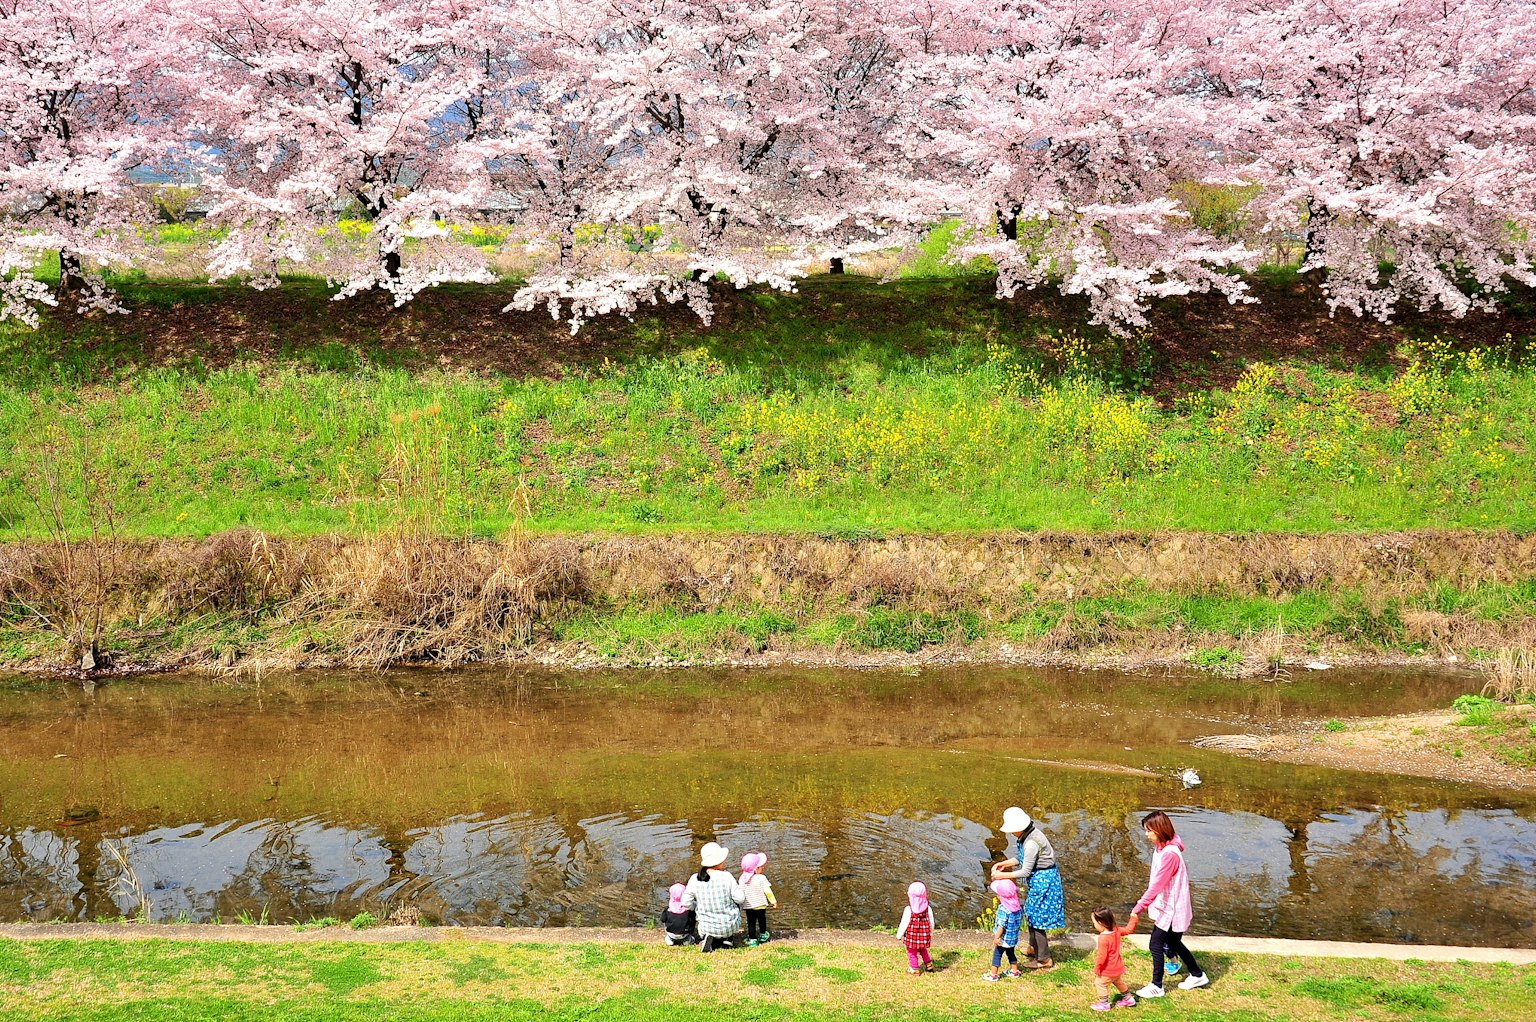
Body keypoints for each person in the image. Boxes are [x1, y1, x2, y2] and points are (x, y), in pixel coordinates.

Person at [1132, 810, 1209, 997]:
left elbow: (1157, 885)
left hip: (1171, 908)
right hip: (1171, 905)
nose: (1146, 834)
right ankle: (1197, 974)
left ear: (1160, 830)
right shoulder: (1162, 846)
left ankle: (1157, 986)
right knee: (1174, 941)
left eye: (1149, 830)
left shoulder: (1170, 855)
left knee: (1155, 945)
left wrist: (1139, 907)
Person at [990, 806, 1064, 969]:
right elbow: (1022, 858)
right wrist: (1005, 863)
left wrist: (1002, 876)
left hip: (1044, 881)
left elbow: (1025, 871)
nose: (1011, 833)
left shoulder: (1031, 842)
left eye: (1012, 830)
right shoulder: (1029, 835)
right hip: (1039, 879)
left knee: (1037, 918)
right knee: (1031, 912)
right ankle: (1033, 948)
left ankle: (1044, 959)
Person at [682, 841, 746, 953]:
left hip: (705, 928)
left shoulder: (694, 879)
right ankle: (728, 938)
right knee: (735, 903)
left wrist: (696, 906)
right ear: (719, 861)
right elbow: (740, 899)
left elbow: (685, 903)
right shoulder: (727, 876)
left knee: (702, 910)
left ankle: (711, 939)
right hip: (729, 926)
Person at [1090, 907, 1140, 1011]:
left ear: (1101, 923)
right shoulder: (1116, 930)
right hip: (1118, 967)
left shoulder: (1103, 938)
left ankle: (1104, 1004)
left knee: (1100, 983)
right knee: (1118, 981)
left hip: (1108, 969)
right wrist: (1133, 918)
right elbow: (1129, 929)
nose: (1094, 925)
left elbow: (1102, 956)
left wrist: (1097, 968)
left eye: (1094, 923)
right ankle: (1129, 999)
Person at [983, 878, 1024, 981]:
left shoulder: (1004, 909)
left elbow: (1001, 926)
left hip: (1003, 939)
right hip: (1012, 938)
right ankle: (1014, 971)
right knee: (1011, 953)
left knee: (997, 955)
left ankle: (994, 974)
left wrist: (997, 938)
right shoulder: (1018, 907)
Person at [895, 881, 936, 974]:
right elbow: (931, 922)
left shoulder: (908, 909)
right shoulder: (928, 909)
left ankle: (914, 968)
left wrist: (899, 935)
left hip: (911, 938)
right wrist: (931, 932)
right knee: (923, 949)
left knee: (912, 952)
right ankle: (929, 964)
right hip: (924, 936)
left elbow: (904, 923)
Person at [738, 851, 777, 945]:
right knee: (762, 920)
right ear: (756, 869)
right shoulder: (761, 878)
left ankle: (752, 939)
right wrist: (773, 901)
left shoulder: (742, 879)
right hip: (760, 905)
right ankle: (763, 935)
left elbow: (740, 893)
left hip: (748, 906)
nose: (762, 868)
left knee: (751, 923)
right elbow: (768, 891)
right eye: (761, 866)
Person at [660, 882, 699, 946]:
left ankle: (670, 939)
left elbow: (662, 919)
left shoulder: (668, 909)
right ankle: (687, 940)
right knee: (691, 921)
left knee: (667, 921)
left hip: (670, 933)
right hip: (685, 934)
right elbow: (693, 920)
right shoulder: (688, 910)